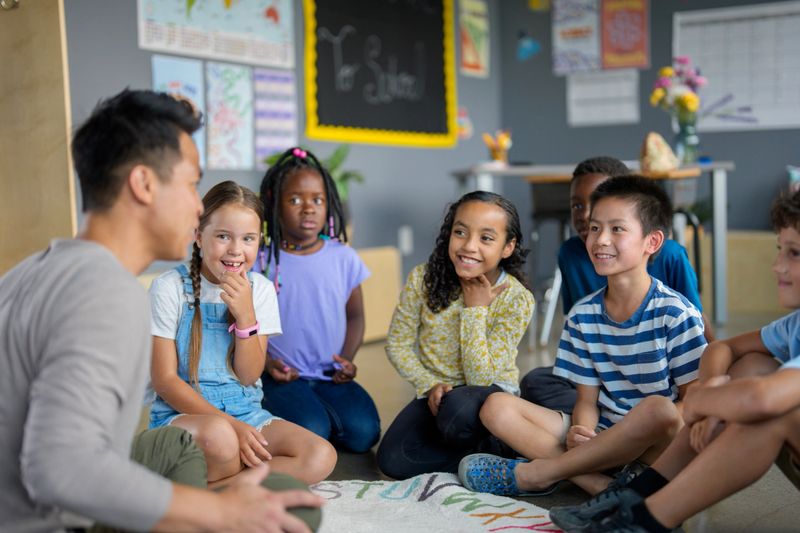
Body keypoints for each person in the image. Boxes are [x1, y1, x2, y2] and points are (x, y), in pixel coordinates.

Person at [0, 89, 322, 532]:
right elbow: (59, 469)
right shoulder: (106, 292)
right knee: (295, 512)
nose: (196, 206)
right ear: (144, 183)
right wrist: (220, 513)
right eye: (191, 184)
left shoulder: (27, 273)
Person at [549, 189, 800, 533]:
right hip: (626, 422)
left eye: (795, 253)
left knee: (769, 411)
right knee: (753, 366)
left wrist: (701, 402)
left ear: (651, 242)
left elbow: (761, 399)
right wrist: (712, 389)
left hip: (665, 419)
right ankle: (639, 498)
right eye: (780, 250)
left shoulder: (670, 309)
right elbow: (721, 349)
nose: (777, 265)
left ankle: (645, 515)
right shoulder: (795, 325)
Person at [458, 176, 707, 498]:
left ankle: (540, 473)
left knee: (658, 409)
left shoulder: (676, 313)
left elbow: (691, 404)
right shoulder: (582, 314)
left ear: (652, 242)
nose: (600, 240)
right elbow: (587, 400)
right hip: (603, 431)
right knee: (496, 406)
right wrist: (583, 431)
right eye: (594, 228)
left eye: (617, 229)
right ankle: (602, 485)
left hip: (657, 444)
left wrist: (622, 439)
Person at [149, 180, 337, 486]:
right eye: (223, 236)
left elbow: (248, 376)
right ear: (198, 236)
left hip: (246, 413)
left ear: (258, 241)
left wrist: (246, 316)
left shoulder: (260, 290)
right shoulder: (169, 288)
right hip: (183, 417)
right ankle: (234, 483)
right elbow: (164, 381)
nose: (236, 250)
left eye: (248, 239)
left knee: (320, 455)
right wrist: (231, 427)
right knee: (221, 439)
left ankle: (217, 492)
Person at [522, 156, 711, 414]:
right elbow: (578, 333)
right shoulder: (570, 254)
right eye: (577, 206)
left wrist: (711, 376)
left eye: (599, 203)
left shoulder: (669, 256)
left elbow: (697, 325)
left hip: (660, 375)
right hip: (605, 372)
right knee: (535, 382)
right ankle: (613, 424)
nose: (586, 215)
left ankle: (614, 428)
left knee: (672, 405)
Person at [377, 191, 535, 479]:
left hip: (488, 397)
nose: (469, 246)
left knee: (459, 411)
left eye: (486, 238)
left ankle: (503, 437)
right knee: (392, 460)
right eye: (460, 232)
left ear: (508, 247)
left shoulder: (516, 298)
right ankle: (494, 456)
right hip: (437, 394)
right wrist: (429, 384)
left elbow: (479, 379)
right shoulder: (422, 279)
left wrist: (475, 310)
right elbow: (397, 344)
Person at [256, 147, 380, 453]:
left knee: (365, 434)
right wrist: (267, 363)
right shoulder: (261, 261)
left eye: (318, 200)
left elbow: (355, 317)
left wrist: (348, 358)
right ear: (275, 202)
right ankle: (287, 416)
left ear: (328, 205)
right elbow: (243, 325)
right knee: (314, 430)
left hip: (329, 376)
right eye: (295, 199)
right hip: (280, 377)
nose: (308, 208)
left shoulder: (343, 258)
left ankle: (317, 416)